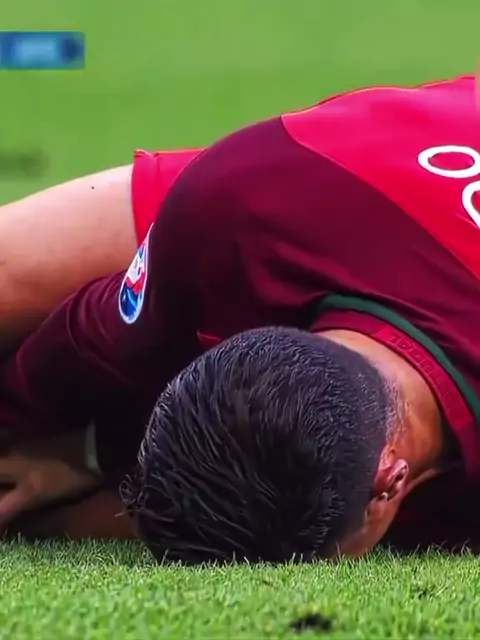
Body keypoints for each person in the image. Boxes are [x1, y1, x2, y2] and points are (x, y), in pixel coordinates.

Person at [2, 74, 480, 562]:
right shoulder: (243, 212)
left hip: (382, 189)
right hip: (329, 183)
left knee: (105, 518)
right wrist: (26, 430)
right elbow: (99, 338)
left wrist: (86, 474)